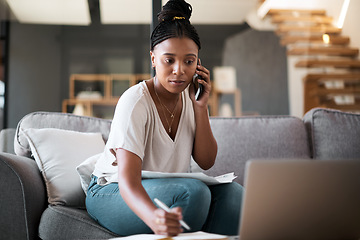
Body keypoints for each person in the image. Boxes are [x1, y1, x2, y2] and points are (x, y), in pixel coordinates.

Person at [86, 0, 243, 236]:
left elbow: (207, 160)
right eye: (169, 60)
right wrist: (152, 217)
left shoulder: (192, 98)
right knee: (194, 193)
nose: (179, 70)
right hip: (112, 190)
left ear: (198, 63)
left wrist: (201, 107)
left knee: (233, 194)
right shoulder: (136, 101)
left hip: (161, 188)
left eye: (189, 61)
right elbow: (128, 181)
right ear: (153, 59)